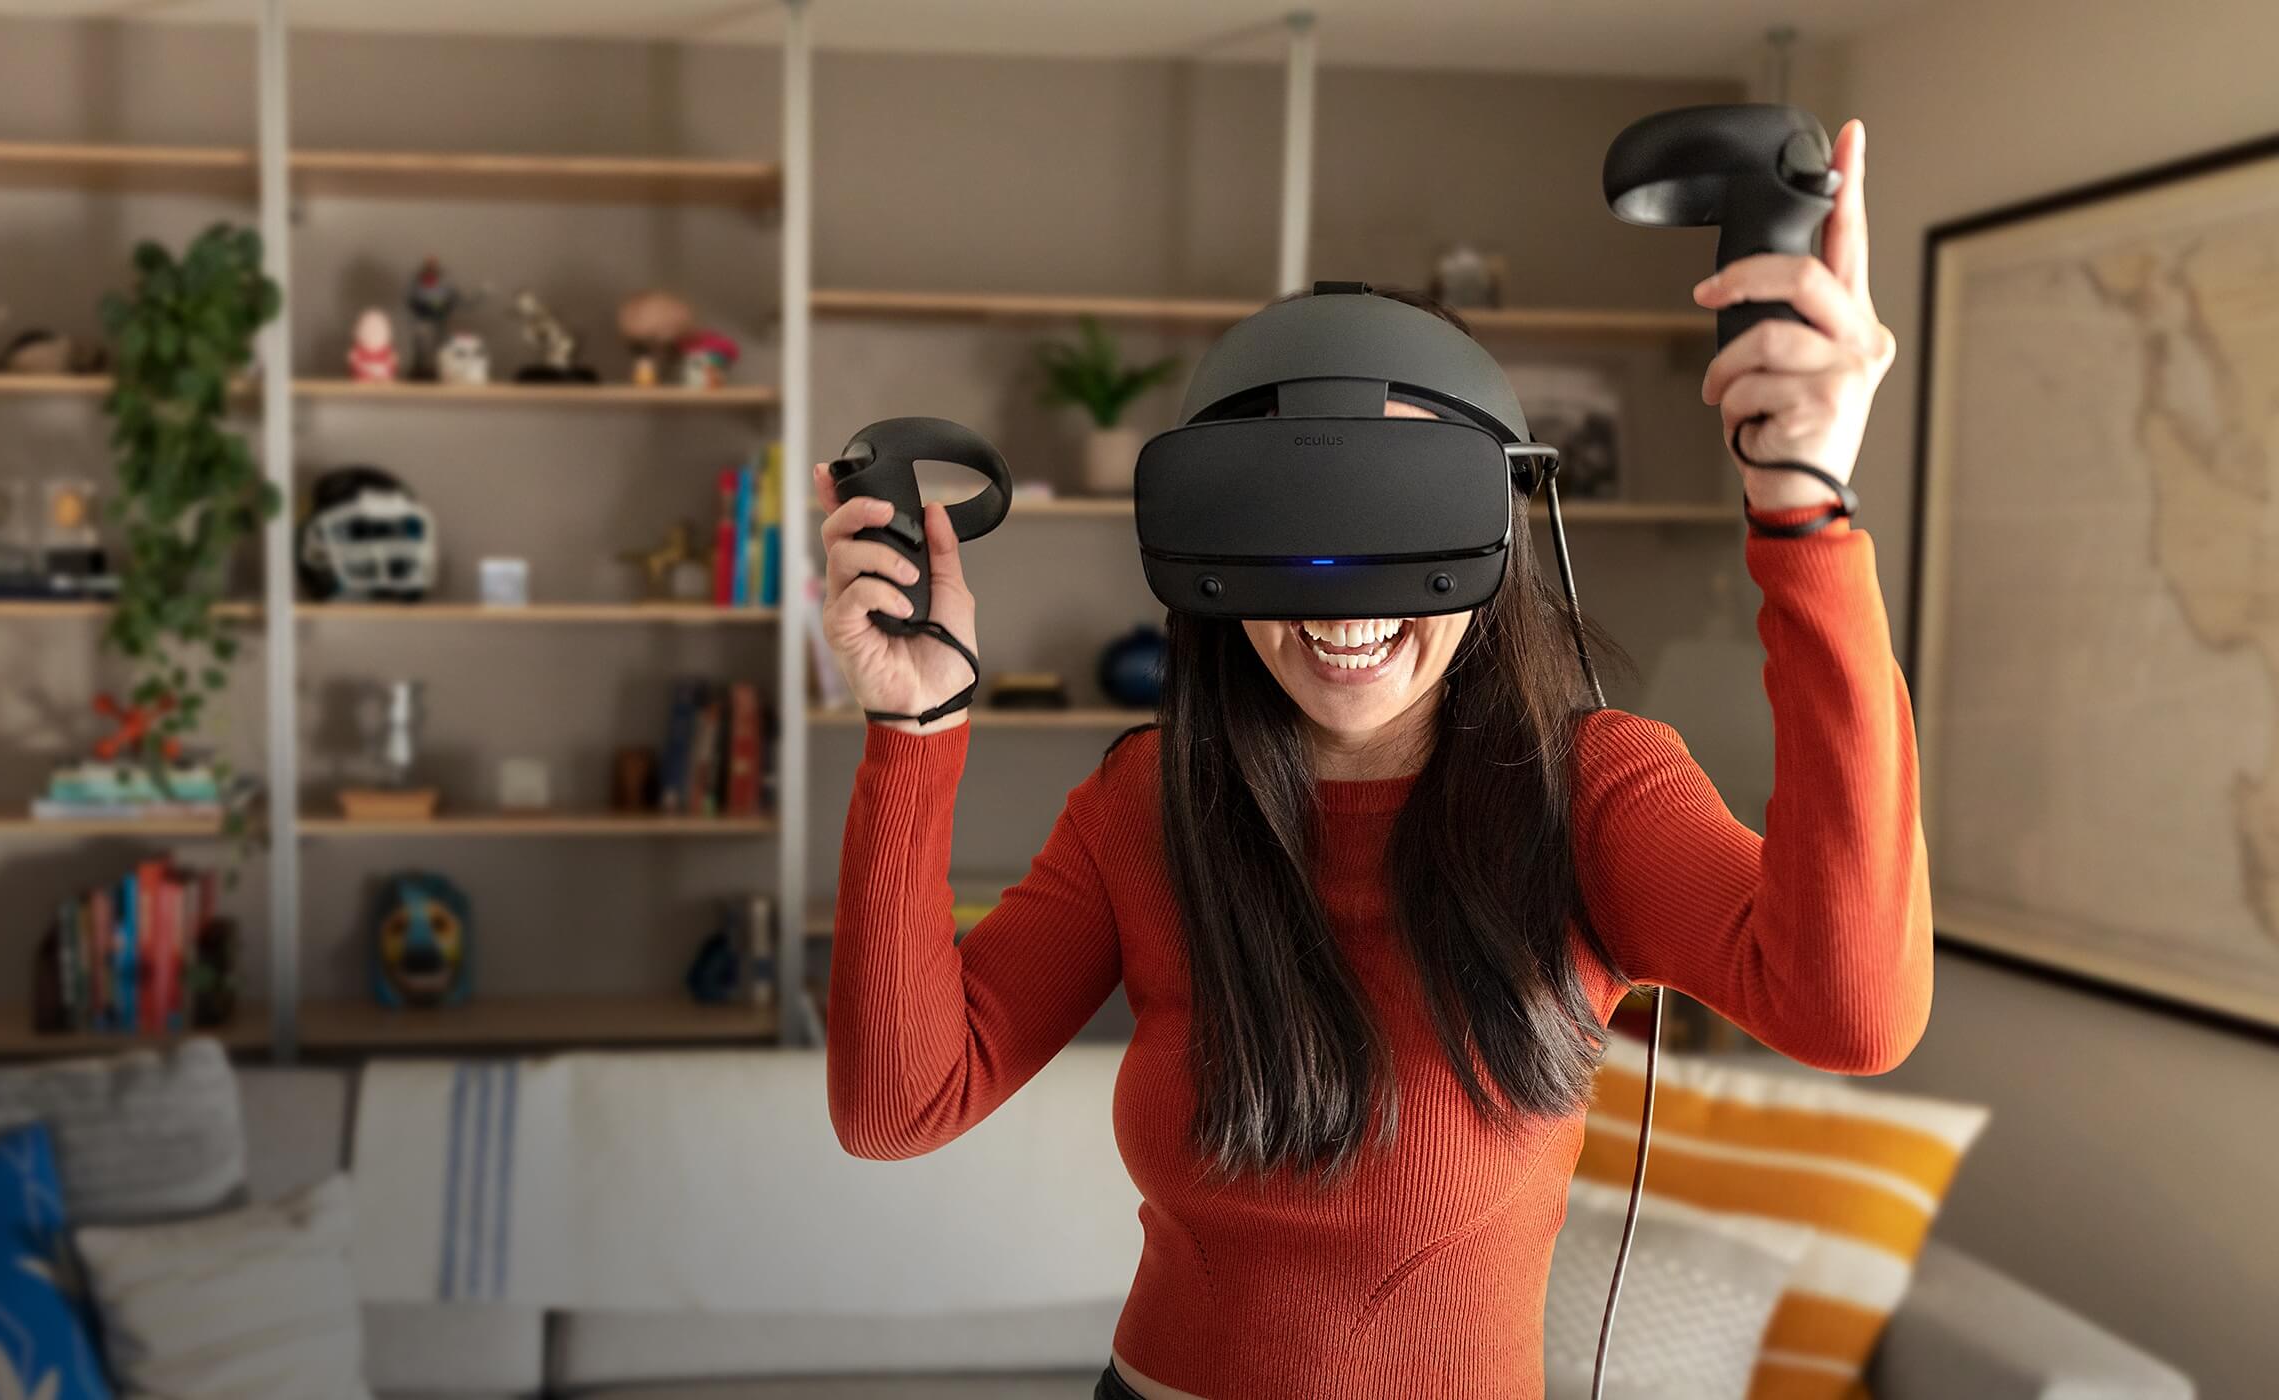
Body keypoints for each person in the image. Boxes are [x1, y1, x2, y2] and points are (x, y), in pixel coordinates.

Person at [814, 119, 1924, 1400]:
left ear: (1501, 523)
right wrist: (913, 727)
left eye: (1401, 514)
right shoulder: (1149, 803)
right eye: (1294, 519)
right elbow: (898, 1105)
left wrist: (1806, 515)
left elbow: (1854, 1010)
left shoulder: (1596, 793)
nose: (1346, 594)